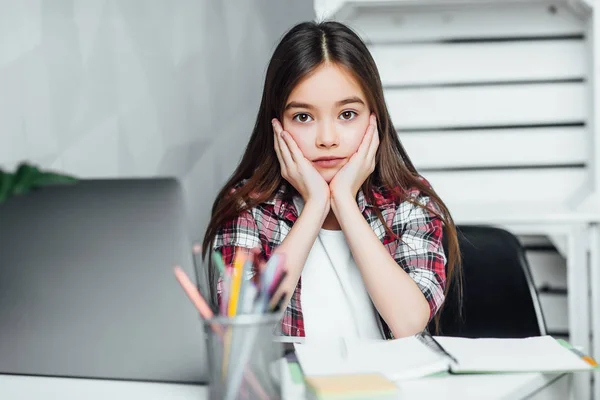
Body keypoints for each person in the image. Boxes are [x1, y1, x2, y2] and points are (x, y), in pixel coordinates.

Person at [202, 20, 461, 340]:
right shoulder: (249, 207)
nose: (327, 138)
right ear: (277, 125)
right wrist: (314, 207)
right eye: (303, 117)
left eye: (347, 114)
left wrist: (344, 201)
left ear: (374, 118)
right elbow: (242, 325)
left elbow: (409, 322)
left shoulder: (407, 203)